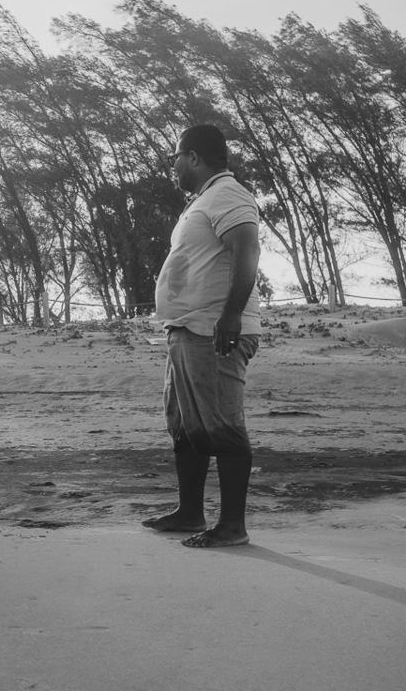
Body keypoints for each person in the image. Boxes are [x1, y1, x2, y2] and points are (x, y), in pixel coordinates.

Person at [143, 124, 261, 548]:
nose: (173, 166)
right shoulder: (206, 200)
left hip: (215, 332)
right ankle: (190, 511)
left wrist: (230, 317)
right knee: (186, 426)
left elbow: (246, 250)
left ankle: (232, 526)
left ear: (193, 156)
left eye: (176, 157)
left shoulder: (228, 194)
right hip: (187, 331)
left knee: (223, 426)